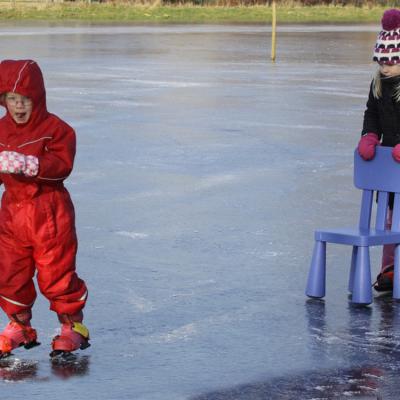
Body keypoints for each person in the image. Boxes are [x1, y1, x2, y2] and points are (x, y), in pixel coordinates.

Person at [0, 59, 89, 358]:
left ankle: (72, 327)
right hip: (12, 213)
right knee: (10, 271)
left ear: (37, 98)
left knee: (56, 273)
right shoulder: (1, 131)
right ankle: (18, 324)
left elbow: (62, 164)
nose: (19, 106)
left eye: (25, 99)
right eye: (12, 99)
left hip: (49, 212)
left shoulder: (57, 129)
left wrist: (31, 164)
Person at [358, 9, 400, 292]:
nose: (385, 68)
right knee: (389, 222)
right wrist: (370, 136)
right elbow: (371, 113)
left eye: (392, 62)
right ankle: (390, 269)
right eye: (382, 62)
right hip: (389, 169)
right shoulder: (378, 86)